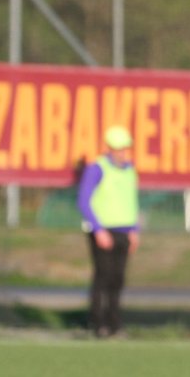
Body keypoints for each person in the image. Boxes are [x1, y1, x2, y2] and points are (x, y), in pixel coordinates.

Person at [78, 125, 140, 339]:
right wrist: (98, 229)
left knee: (118, 279)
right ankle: (98, 323)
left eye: (125, 148)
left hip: (124, 230)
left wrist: (134, 230)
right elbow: (84, 200)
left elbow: (131, 202)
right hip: (103, 231)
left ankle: (115, 323)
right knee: (102, 277)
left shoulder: (130, 170)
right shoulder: (97, 168)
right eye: (119, 148)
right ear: (110, 148)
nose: (123, 152)